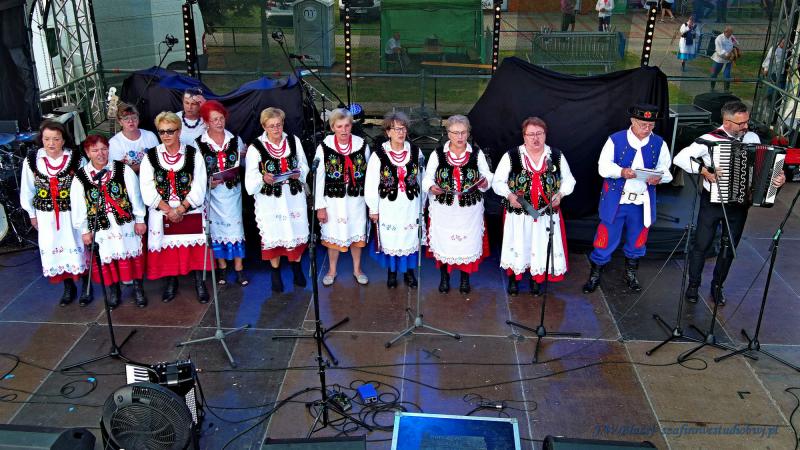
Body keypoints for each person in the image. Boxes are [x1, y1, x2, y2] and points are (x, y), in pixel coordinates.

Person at [673, 101, 786, 305]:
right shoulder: (709, 140)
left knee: (729, 247)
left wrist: (776, 179)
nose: (746, 126)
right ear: (726, 122)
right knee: (701, 244)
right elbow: (680, 158)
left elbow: (761, 168)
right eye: (741, 123)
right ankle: (693, 285)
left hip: (739, 205)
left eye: (747, 121)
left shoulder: (752, 138)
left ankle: (717, 286)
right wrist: (704, 171)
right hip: (712, 202)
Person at [583, 103, 673, 294]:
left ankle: (630, 273)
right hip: (617, 201)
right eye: (643, 124)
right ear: (632, 121)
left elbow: (666, 170)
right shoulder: (615, 140)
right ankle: (595, 273)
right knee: (605, 238)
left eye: (651, 125)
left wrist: (659, 178)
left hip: (641, 202)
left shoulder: (659, 143)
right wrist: (621, 172)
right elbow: (603, 167)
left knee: (637, 239)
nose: (647, 129)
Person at [493, 118, 576, 296]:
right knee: (518, 244)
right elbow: (497, 182)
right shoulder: (512, 156)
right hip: (518, 214)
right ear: (524, 136)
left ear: (545, 135)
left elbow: (569, 180)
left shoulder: (556, 155)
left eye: (539, 134)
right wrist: (509, 195)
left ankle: (536, 279)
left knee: (540, 246)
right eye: (531, 134)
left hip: (545, 213)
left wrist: (560, 194)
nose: (535, 138)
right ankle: (514, 278)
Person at [139, 111, 210, 303]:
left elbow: (200, 185)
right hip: (163, 212)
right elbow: (146, 187)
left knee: (195, 248)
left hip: (189, 210)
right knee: (167, 250)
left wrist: (181, 209)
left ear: (179, 131)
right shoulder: (151, 157)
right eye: (162, 132)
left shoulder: (193, 154)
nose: (166, 135)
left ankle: (199, 283)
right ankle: (171, 282)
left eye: (170, 131)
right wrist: (168, 210)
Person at [70, 135, 147, 308]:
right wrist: (84, 230)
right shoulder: (81, 177)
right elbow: (78, 206)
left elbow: (135, 196)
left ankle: (138, 288)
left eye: (104, 149)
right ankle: (114, 290)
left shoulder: (122, 169)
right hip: (100, 227)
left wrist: (140, 219)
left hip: (124, 224)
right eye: (95, 150)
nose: (100, 153)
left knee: (132, 253)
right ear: (87, 153)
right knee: (107, 257)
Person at [20, 120, 89, 306]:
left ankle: (86, 285)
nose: (51, 143)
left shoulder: (76, 158)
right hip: (46, 215)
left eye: (56, 139)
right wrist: (32, 214)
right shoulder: (32, 160)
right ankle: (68, 287)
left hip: (72, 214)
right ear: (41, 139)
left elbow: (85, 186)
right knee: (55, 248)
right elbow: (27, 189)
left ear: (63, 140)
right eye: (47, 139)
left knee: (78, 246)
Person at [422, 115, 493, 294]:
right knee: (444, 242)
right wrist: (431, 187)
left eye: (463, 132)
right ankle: (444, 278)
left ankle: (464, 279)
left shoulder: (476, 154)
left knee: (466, 243)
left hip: (469, 210)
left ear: (468, 133)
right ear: (448, 134)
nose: (460, 137)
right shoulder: (438, 154)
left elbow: (487, 175)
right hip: (444, 209)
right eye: (455, 133)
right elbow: (427, 177)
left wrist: (485, 182)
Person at [245, 107, 309, 292]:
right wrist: (263, 178)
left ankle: (297, 269)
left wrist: (299, 172)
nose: (276, 129)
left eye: (279, 125)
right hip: (270, 200)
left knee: (296, 231)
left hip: (293, 197)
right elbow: (250, 178)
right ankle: (275, 273)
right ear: (264, 126)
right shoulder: (256, 147)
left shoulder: (293, 141)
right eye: (272, 126)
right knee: (275, 234)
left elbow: (304, 164)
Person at [365, 112, 424, 289]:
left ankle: (409, 273)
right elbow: (371, 184)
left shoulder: (416, 151)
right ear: (388, 132)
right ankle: (392, 273)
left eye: (403, 129)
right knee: (391, 239)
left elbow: (421, 179)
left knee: (409, 238)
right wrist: (373, 208)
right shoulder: (379, 155)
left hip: (410, 205)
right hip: (388, 207)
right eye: (396, 129)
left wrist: (423, 204)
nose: (401, 132)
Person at [314, 108, 371, 287]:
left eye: (347, 125)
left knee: (356, 234)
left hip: (356, 200)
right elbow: (319, 179)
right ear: (332, 127)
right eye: (339, 126)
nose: (344, 130)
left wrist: (371, 204)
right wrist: (320, 206)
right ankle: (332, 270)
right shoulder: (324, 147)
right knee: (333, 235)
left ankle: (357, 269)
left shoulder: (362, 145)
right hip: (333, 201)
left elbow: (369, 176)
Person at [195, 100, 248, 286]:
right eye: (214, 120)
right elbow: (196, 172)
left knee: (236, 228)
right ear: (206, 122)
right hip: (212, 195)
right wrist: (207, 182)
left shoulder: (235, 140)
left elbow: (244, 165)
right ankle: (222, 267)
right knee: (216, 230)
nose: (219, 122)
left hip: (233, 193)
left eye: (221, 118)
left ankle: (239, 268)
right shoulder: (198, 144)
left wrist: (246, 155)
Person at [108, 102, 159, 173]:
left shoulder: (150, 136)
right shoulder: (114, 142)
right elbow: (119, 171)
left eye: (134, 117)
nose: (131, 121)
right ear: (120, 122)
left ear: (138, 119)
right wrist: (143, 165)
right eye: (126, 118)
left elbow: (158, 161)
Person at [710, 26, 738, 92]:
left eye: (732, 33)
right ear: (725, 32)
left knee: (727, 75)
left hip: (728, 60)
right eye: (730, 33)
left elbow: (736, 43)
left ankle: (726, 90)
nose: (731, 35)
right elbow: (719, 50)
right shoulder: (719, 38)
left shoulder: (731, 37)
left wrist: (734, 50)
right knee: (713, 73)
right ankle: (712, 88)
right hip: (719, 59)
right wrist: (727, 54)